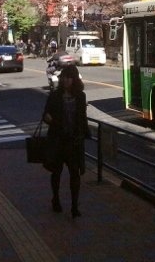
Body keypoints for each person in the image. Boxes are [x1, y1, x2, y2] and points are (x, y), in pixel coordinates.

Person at [42, 64, 90, 216]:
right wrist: (49, 118)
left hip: (74, 141)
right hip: (58, 139)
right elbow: (45, 115)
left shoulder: (80, 96)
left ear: (74, 79)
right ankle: (55, 198)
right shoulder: (54, 95)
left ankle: (74, 206)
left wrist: (84, 134)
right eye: (64, 77)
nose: (66, 80)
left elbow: (82, 118)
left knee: (74, 174)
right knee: (56, 172)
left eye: (69, 78)